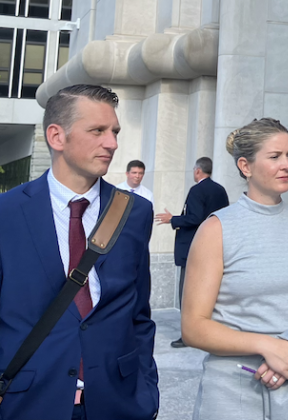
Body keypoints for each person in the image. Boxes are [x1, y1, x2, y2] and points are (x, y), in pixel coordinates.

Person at [0, 84, 159, 420]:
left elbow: (138, 314)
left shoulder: (135, 212)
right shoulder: (7, 213)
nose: (112, 143)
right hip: (29, 402)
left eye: (114, 131)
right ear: (57, 137)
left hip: (117, 403)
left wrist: (146, 392)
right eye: (98, 131)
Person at [181, 118, 288, 419]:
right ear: (245, 166)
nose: (287, 165)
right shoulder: (216, 229)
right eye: (275, 157)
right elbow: (193, 326)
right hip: (232, 391)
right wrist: (268, 347)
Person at [155, 156, 229, 348]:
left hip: (193, 248)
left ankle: (188, 334)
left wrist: (173, 220)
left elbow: (195, 218)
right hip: (216, 248)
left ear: (198, 171)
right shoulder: (220, 190)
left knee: (187, 292)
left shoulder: (197, 190)